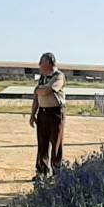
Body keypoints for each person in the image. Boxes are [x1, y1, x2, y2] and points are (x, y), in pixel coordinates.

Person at [30, 52, 66, 181]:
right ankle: (41, 171)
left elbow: (47, 91)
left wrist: (38, 89)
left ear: (49, 63)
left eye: (42, 62)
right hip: (43, 113)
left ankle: (56, 173)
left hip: (56, 113)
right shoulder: (42, 78)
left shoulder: (59, 76)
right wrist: (32, 113)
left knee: (56, 143)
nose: (39, 65)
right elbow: (37, 97)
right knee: (42, 143)